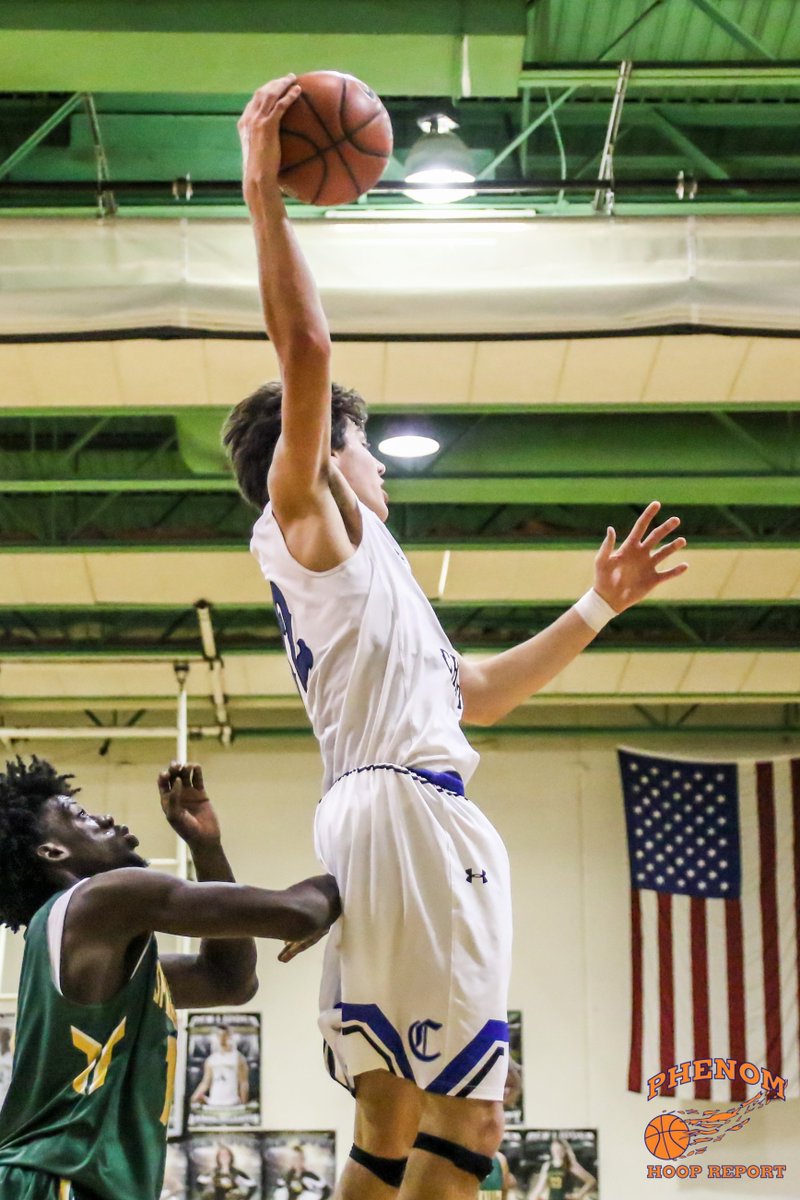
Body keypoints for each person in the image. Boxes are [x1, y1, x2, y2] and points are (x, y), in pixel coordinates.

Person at [226, 76, 688, 1200]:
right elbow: (306, 347)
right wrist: (263, 184)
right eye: (364, 443)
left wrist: (595, 609)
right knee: (472, 1121)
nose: (377, 459)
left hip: (379, 806)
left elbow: (475, 692)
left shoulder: (369, 581)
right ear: (325, 454)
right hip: (407, 815)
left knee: (389, 1116)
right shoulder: (311, 521)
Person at [0, 757, 339, 1200]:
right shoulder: (99, 900)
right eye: (80, 816)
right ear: (51, 851)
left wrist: (207, 848)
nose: (105, 818)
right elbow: (297, 912)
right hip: (54, 1180)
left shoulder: (88, 948)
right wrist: (362, 873)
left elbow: (228, 980)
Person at [191, 1024, 251, 1111]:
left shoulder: (238, 1058)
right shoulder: (211, 1060)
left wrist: (243, 1105)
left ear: (230, 1036)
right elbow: (205, 1083)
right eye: (219, 1035)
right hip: (213, 1103)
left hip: (232, 1104)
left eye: (225, 1035)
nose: (222, 1038)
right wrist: (192, 1099)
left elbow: (243, 1083)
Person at [527, 1138, 596, 1200]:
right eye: (554, 1150)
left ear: (565, 1151)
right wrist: (533, 1196)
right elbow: (540, 1186)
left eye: (559, 1150)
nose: (556, 1152)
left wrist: (579, 1195)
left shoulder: (570, 1165)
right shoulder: (547, 1166)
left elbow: (591, 1181)